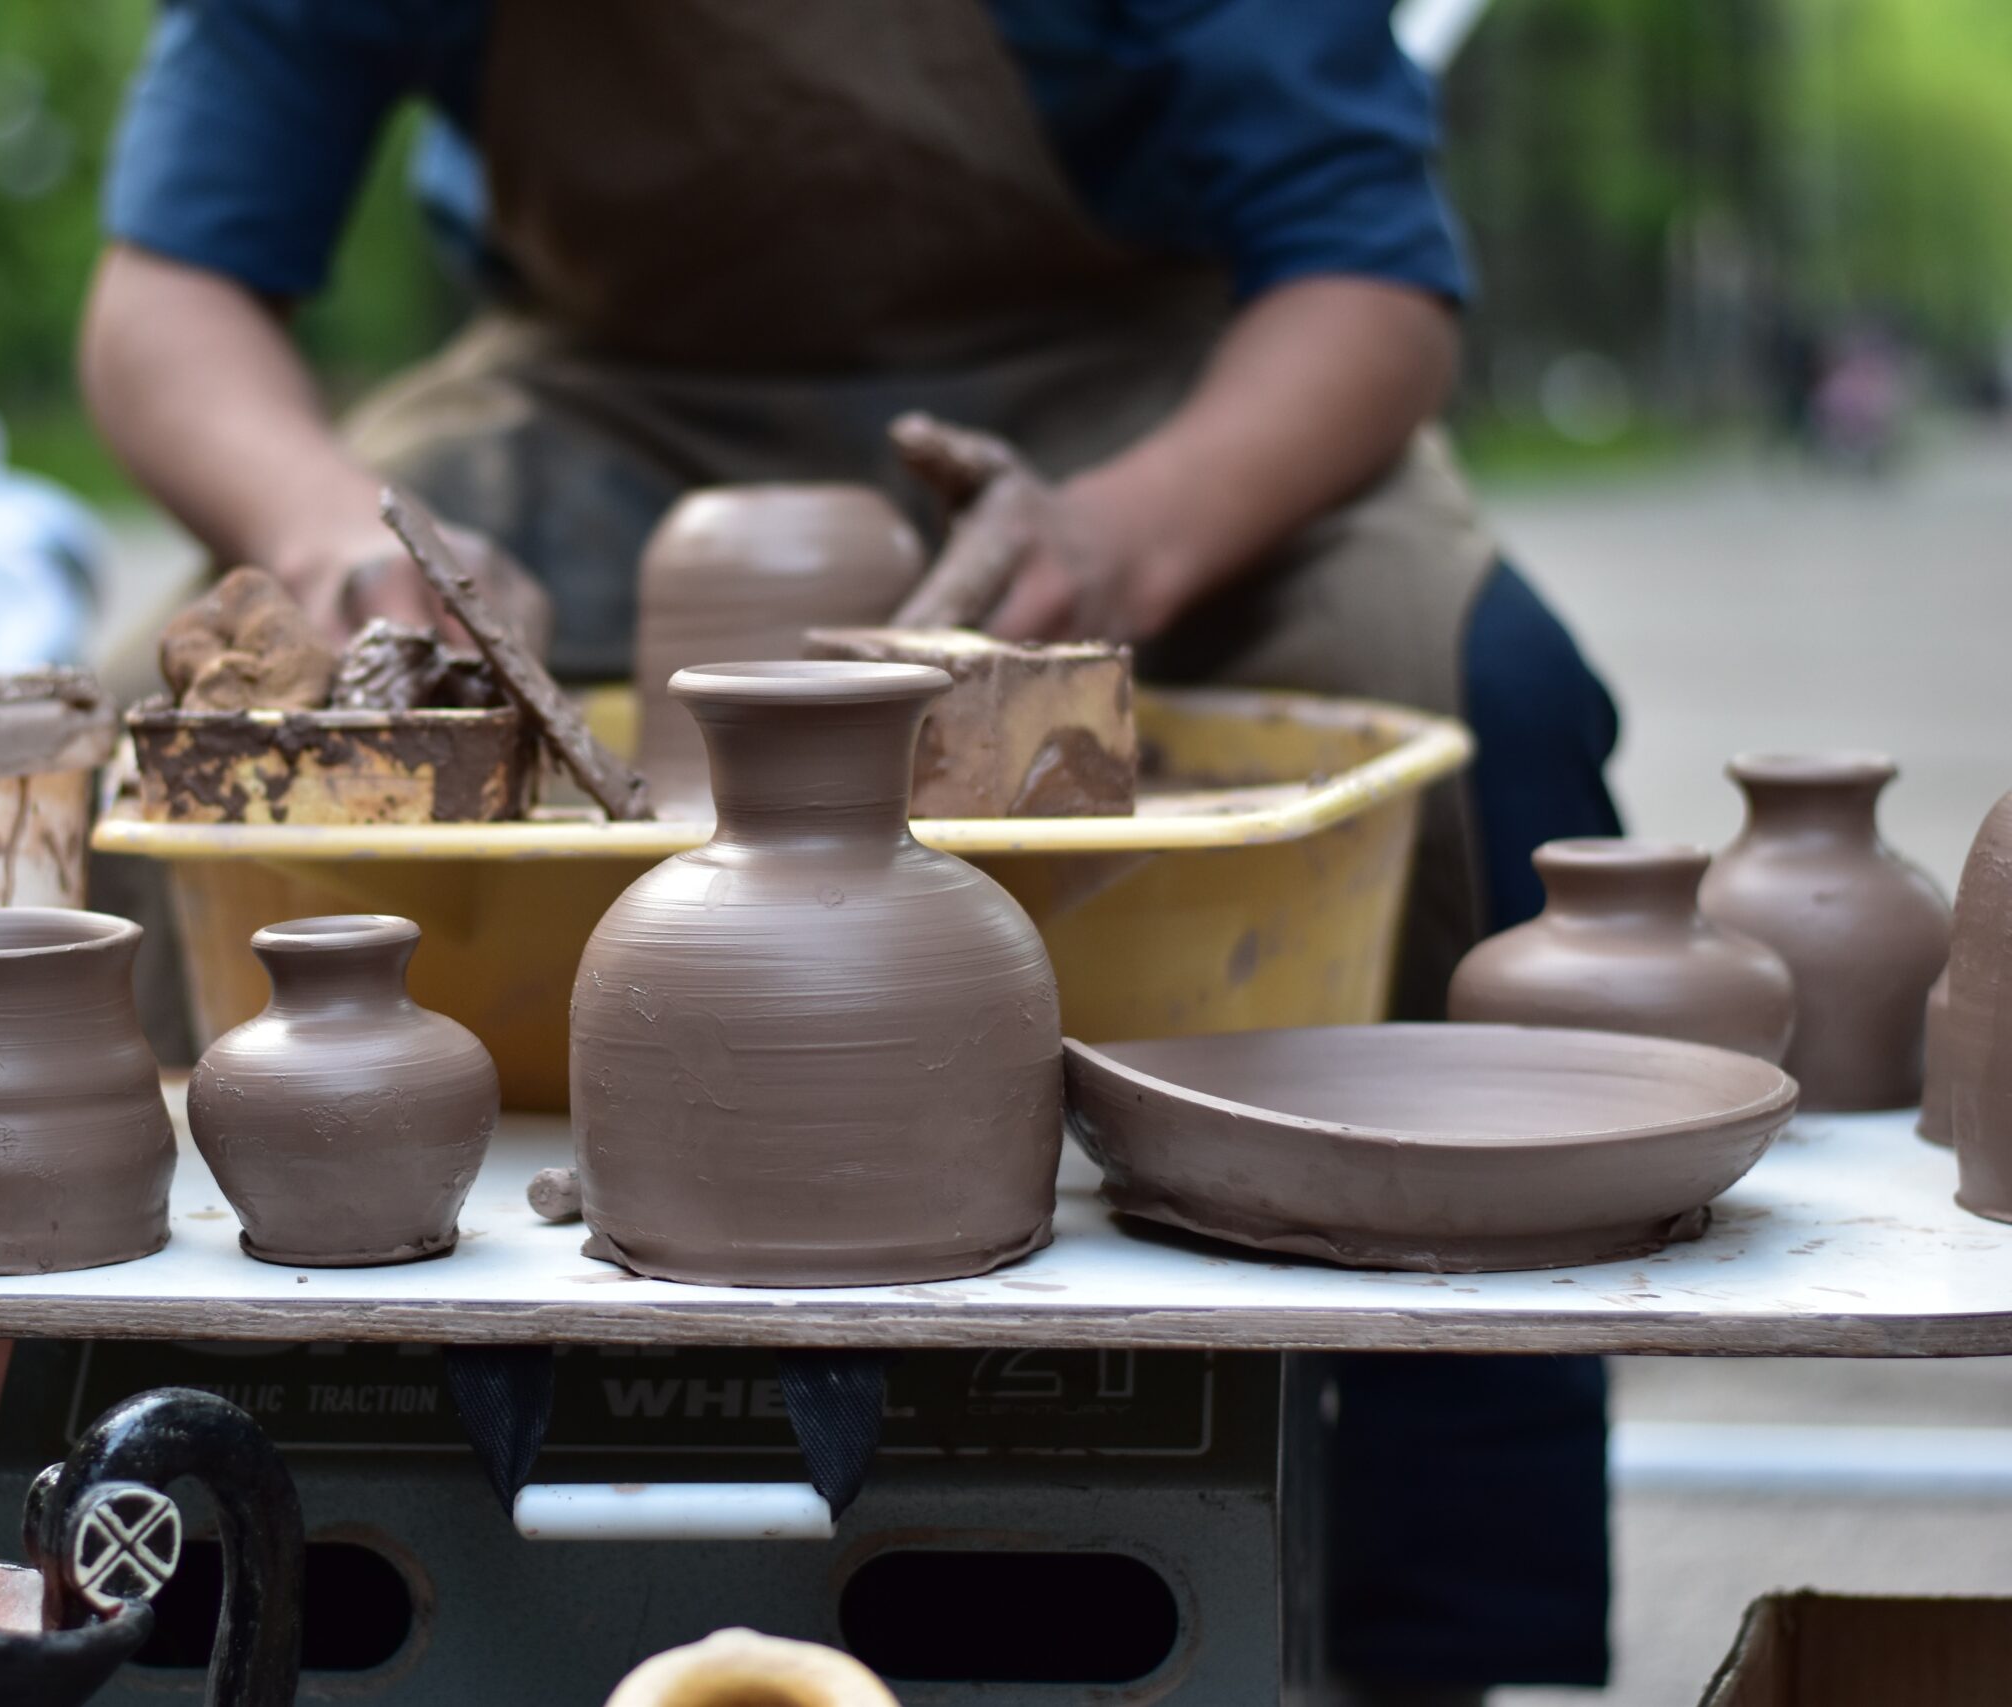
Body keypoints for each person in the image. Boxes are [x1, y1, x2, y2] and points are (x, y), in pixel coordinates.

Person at [81, 3, 1620, 1697]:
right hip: (608, 403)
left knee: (1485, 694)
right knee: (149, 764)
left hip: (1129, 398)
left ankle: (1434, 1628)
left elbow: (1371, 280)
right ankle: (156, 1545)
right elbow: (167, 291)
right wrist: (331, 542)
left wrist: (1129, 538)